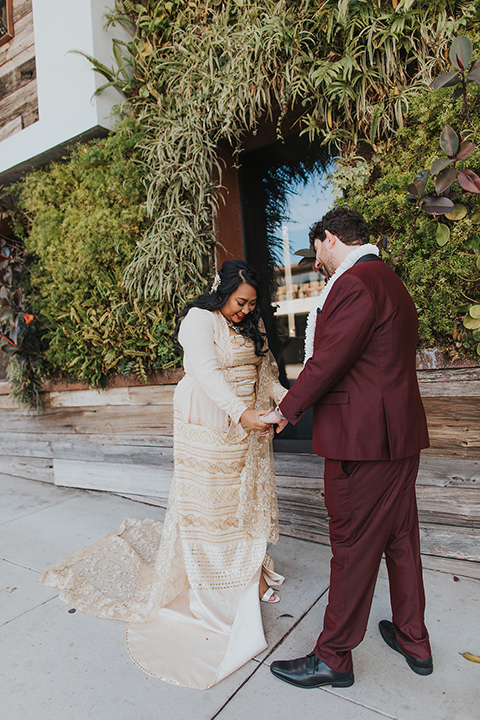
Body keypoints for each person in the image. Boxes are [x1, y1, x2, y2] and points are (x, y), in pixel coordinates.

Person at [41, 260, 287, 689]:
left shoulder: (251, 322)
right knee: (211, 504)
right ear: (222, 291)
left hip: (248, 422)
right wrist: (242, 412)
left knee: (242, 499)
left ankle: (250, 570)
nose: (246, 311)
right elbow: (206, 374)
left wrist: (283, 405)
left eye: (251, 304)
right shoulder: (198, 320)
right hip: (210, 417)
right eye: (240, 302)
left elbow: (265, 371)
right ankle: (216, 586)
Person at [261, 207, 432, 689]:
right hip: (397, 436)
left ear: (330, 238)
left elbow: (329, 359)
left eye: (316, 248)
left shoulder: (356, 284)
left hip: (363, 443)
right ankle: (413, 638)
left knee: (352, 545)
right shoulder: (391, 281)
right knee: (401, 538)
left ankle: (333, 656)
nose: (316, 260)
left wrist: (284, 410)